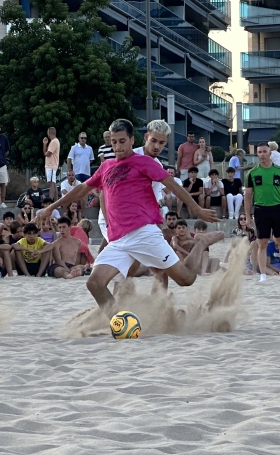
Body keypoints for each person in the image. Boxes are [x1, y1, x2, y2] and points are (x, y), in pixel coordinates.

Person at [37, 118, 220, 314]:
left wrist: (197, 209)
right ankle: (121, 323)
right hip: (118, 238)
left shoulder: (145, 162)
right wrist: (51, 207)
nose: (117, 146)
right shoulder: (106, 166)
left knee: (186, 280)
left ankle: (200, 243)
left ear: (132, 140)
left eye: (122, 141)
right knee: (95, 283)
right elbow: (82, 188)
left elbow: (173, 185)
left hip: (144, 233)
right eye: (114, 142)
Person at [244, 142, 280, 282]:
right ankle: (263, 275)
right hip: (261, 210)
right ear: (257, 154)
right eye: (259, 152)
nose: (262, 155)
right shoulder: (252, 173)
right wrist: (248, 216)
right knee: (262, 242)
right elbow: (248, 196)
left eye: (265, 151)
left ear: (270, 153)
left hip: (278, 208)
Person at [42, 126, 60, 199]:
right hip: (51, 165)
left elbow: (47, 154)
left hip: (51, 165)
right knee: (53, 184)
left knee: (51, 184)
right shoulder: (53, 142)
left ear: (49, 133)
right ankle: (56, 201)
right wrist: (45, 144)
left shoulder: (54, 142)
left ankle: (50, 200)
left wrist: (45, 149)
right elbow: (46, 152)